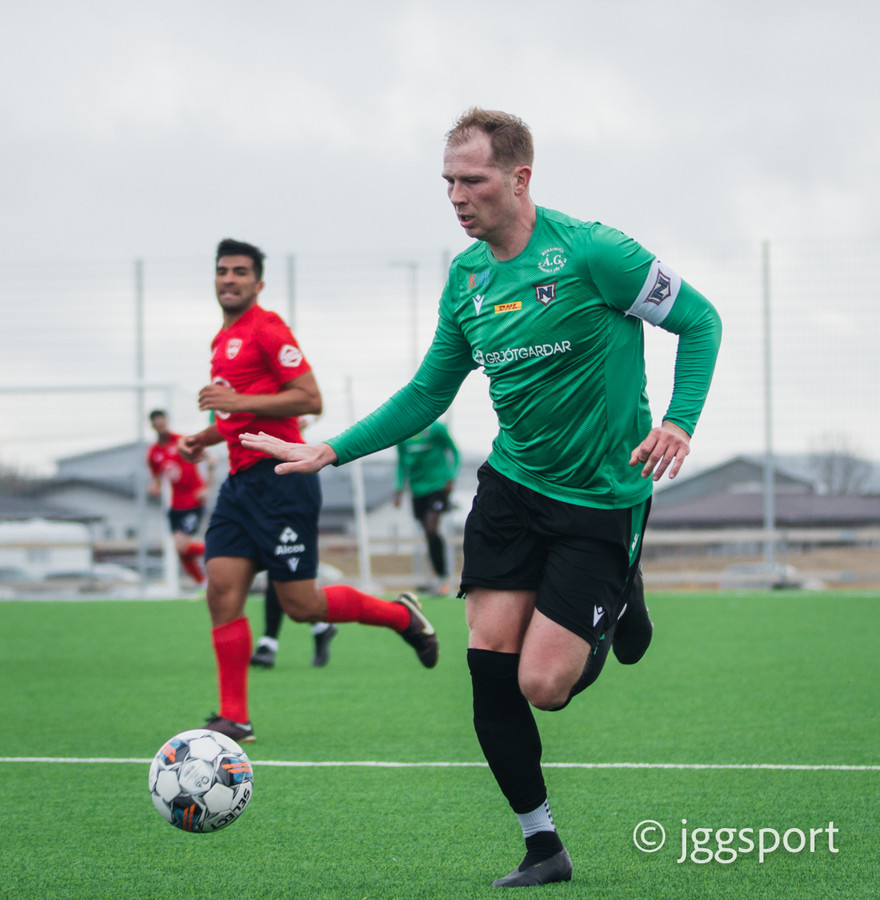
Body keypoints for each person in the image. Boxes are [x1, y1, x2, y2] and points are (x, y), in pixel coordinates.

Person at [240, 108, 722, 888]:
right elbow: (429, 390)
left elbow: (701, 322)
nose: (457, 197)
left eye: (473, 180)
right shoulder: (467, 280)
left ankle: (621, 592)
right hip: (511, 490)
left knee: (544, 686)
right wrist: (330, 450)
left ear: (520, 178)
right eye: (448, 182)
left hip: (601, 498)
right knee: (490, 667)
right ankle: (543, 845)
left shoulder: (595, 252)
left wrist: (679, 420)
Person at [178, 238, 439, 746]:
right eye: (223, 271)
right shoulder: (221, 339)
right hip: (239, 485)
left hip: (282, 481)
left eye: (240, 272)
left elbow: (308, 398)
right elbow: (239, 415)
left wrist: (235, 400)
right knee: (221, 591)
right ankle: (235, 718)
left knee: (301, 606)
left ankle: (401, 616)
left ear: (258, 283)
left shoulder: (268, 328)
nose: (229, 279)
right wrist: (204, 438)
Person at [249, 417, 338, 670]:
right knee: (277, 565)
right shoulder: (227, 404)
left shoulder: (277, 397)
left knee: (281, 564)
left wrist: (296, 418)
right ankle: (320, 626)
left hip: (290, 477)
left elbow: (313, 406)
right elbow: (225, 429)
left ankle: (268, 643)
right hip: (253, 481)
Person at [146, 408, 213, 586]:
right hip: (175, 504)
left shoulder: (181, 441)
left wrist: (207, 487)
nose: (161, 426)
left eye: (162, 422)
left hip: (193, 500)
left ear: (166, 421)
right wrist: (154, 488)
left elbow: (211, 459)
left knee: (182, 546)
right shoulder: (153, 453)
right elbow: (157, 481)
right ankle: (203, 583)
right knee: (180, 550)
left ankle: (223, 551)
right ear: (153, 426)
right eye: (157, 424)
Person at [394, 420, 460, 595]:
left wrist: (451, 477)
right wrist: (399, 488)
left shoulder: (436, 429)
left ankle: (443, 578)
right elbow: (401, 463)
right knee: (428, 534)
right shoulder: (402, 434)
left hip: (438, 486)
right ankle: (437, 577)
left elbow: (454, 451)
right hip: (417, 489)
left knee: (431, 527)